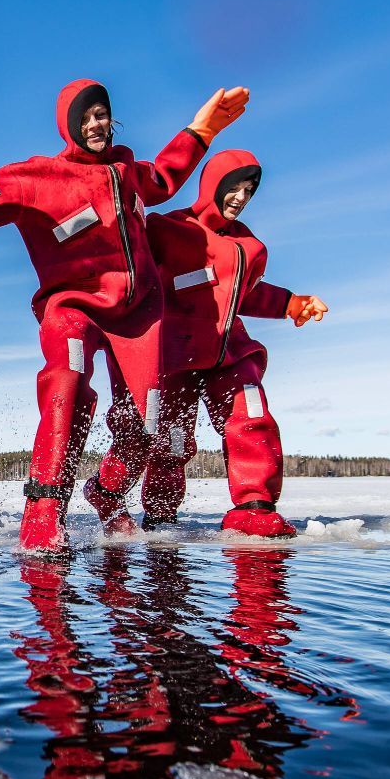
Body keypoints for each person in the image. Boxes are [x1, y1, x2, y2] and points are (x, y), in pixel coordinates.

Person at [0, 80, 248, 550]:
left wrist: (201, 130)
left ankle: (107, 492)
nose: (97, 123)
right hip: (72, 306)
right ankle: (44, 510)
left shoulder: (127, 171)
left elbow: (165, 177)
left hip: (138, 317)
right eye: (87, 115)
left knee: (146, 423)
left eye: (103, 114)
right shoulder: (35, 177)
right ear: (70, 123)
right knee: (68, 378)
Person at [86, 151, 328, 538]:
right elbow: (129, 270)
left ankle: (255, 506)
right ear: (212, 184)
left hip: (227, 349)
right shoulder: (166, 229)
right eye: (233, 187)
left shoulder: (250, 247)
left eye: (248, 190)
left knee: (251, 416)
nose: (240, 197)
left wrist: (291, 303)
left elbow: (244, 294)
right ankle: (126, 499)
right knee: (166, 438)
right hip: (172, 355)